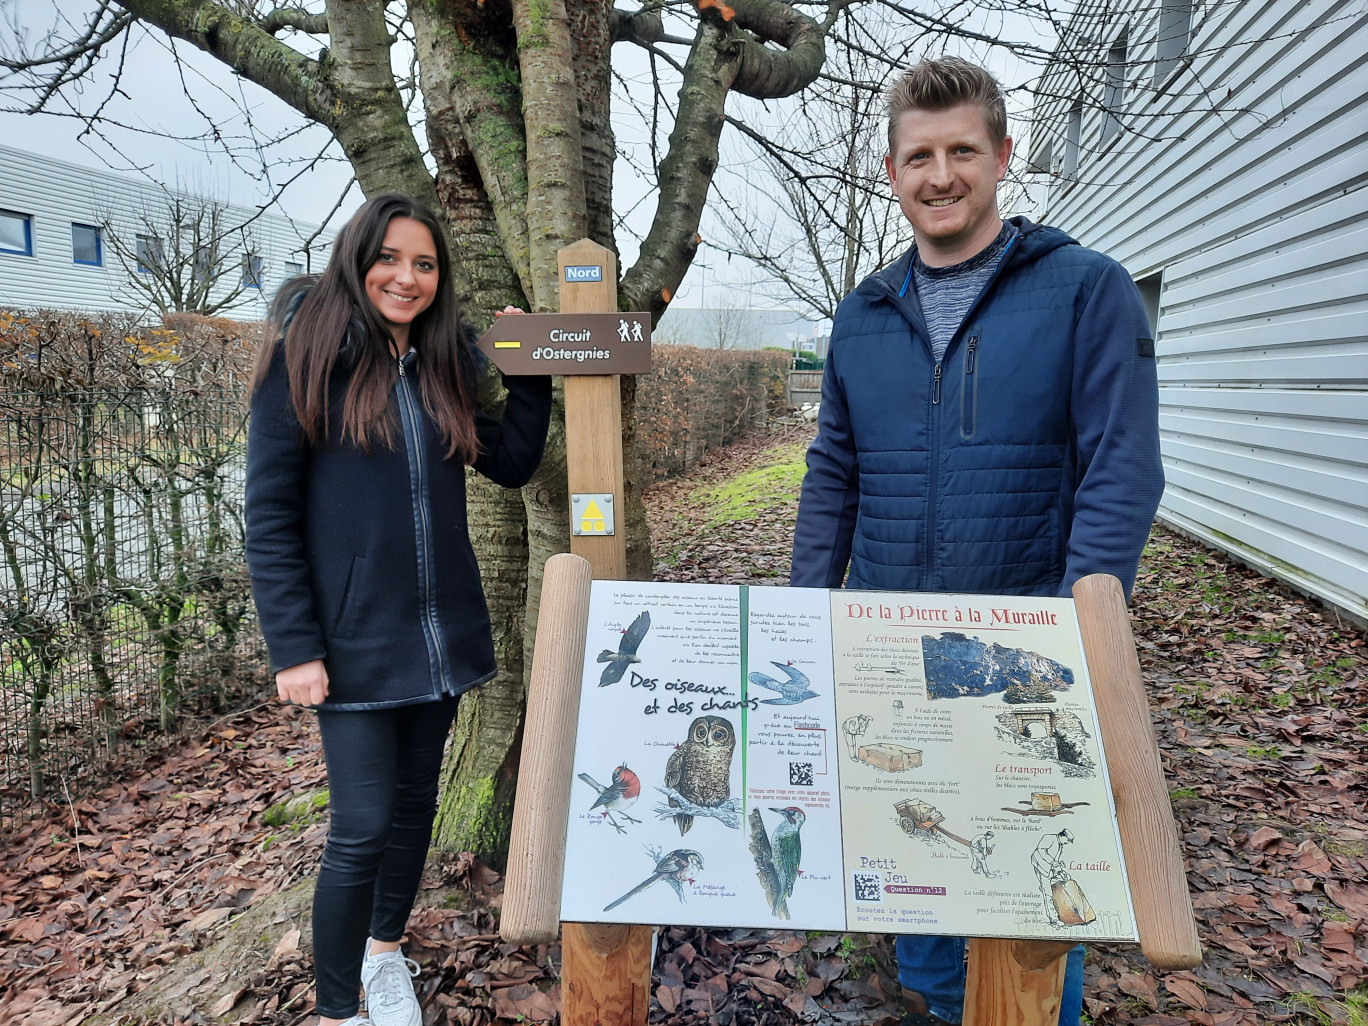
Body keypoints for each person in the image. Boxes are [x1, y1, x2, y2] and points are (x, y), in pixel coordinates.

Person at [790, 56, 1163, 1026]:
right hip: (888, 646)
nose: (941, 174)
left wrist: (1085, 625)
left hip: (1024, 649)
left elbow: (1124, 469)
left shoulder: (1087, 292)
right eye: (920, 156)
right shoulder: (864, 316)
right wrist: (804, 618)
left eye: (963, 151)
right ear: (891, 170)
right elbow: (834, 471)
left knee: (1031, 901)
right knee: (918, 877)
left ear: (1003, 157)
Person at [245, 193, 551, 1026]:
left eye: (424, 263)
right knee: (360, 828)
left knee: (415, 807)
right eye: (389, 258)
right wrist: (294, 646)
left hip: (439, 640)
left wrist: (529, 375)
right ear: (357, 259)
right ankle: (340, 1008)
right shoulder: (304, 361)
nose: (406, 277)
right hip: (348, 647)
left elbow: (514, 463)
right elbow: (267, 517)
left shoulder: (442, 365)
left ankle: (385, 955)